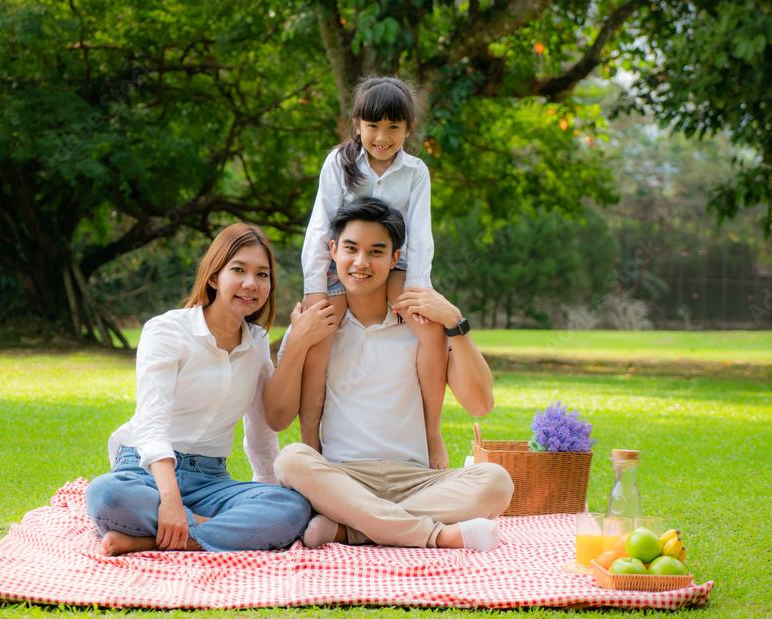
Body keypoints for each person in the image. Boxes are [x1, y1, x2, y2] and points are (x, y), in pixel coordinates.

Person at [265, 198, 513, 552]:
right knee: (290, 459)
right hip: (343, 477)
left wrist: (457, 323)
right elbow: (276, 417)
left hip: (416, 479)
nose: (361, 262)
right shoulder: (317, 326)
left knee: (496, 482)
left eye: (376, 251)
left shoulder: (421, 326)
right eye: (351, 249)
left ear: (395, 259)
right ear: (333, 251)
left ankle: (351, 529)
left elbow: (480, 403)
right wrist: (297, 345)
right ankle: (434, 535)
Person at [85, 223, 311, 555]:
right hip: (146, 473)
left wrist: (266, 493)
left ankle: (153, 540)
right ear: (214, 277)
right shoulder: (166, 330)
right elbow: (152, 422)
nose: (252, 283)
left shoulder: (258, 343)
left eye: (263, 275)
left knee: (293, 507)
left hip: (210, 480)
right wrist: (169, 500)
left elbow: (261, 430)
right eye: (239, 270)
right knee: (105, 495)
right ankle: (209, 532)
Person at [300, 76, 450, 469]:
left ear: (409, 129)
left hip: (395, 263)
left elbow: (420, 236)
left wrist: (418, 290)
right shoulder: (339, 163)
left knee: (430, 331)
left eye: (393, 128)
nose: (382, 137)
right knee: (320, 336)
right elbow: (320, 226)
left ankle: (431, 432)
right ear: (357, 124)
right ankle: (308, 440)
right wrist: (315, 287)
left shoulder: (416, 172)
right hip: (344, 262)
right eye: (373, 127)